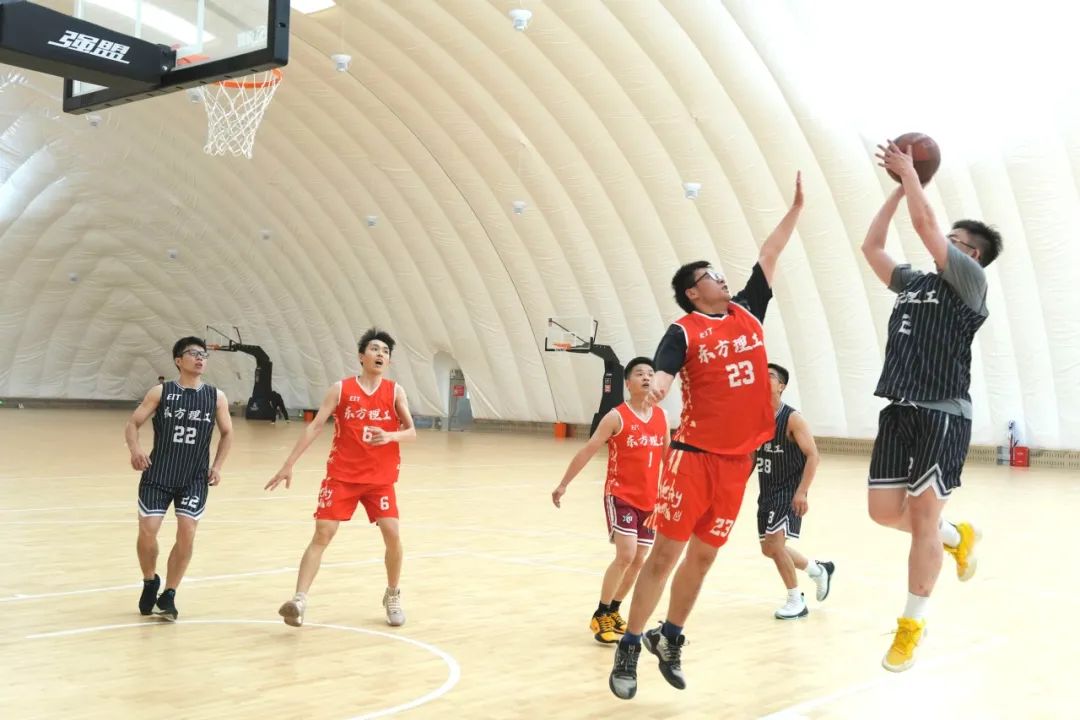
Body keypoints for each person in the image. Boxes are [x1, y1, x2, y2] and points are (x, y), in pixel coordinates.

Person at [609, 172, 805, 700]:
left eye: (720, 272)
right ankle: (630, 644)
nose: (721, 278)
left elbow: (770, 253)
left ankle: (669, 637)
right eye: (710, 276)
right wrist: (657, 389)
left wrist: (796, 209)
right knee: (665, 556)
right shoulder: (684, 330)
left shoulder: (748, 312)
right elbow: (665, 370)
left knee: (704, 557)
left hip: (738, 464)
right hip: (693, 458)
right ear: (694, 292)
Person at [863, 141, 1002, 672]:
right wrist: (901, 190)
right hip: (899, 408)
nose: (945, 243)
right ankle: (955, 536)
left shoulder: (970, 282)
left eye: (956, 242)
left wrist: (911, 178)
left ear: (973, 256)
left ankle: (910, 627)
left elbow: (925, 227)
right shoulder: (915, 281)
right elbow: (872, 246)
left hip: (943, 412)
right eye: (950, 239)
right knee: (884, 514)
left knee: (921, 519)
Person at [266, 328, 417, 627]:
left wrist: (390, 435)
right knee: (323, 533)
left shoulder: (395, 391)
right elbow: (315, 427)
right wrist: (288, 464)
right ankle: (299, 600)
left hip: (379, 479)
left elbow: (411, 432)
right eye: (375, 349)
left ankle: (392, 594)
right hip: (342, 475)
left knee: (392, 533)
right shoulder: (341, 389)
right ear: (361, 356)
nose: (380, 354)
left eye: (385, 351)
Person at [551, 357, 668, 644]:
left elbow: (668, 458)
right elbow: (589, 449)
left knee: (638, 560)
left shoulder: (662, 417)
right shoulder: (616, 417)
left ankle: (614, 611)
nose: (646, 377)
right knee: (626, 555)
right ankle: (600, 613)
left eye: (650, 373)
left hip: (650, 500)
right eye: (639, 373)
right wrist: (564, 484)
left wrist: (676, 492)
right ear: (627, 383)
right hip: (621, 495)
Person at [125, 337, 233, 621]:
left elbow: (228, 433)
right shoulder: (162, 392)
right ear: (178, 360)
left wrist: (217, 466)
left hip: (194, 478)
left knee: (187, 532)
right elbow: (133, 423)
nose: (200, 358)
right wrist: (136, 450)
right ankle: (150, 580)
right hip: (158, 474)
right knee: (148, 531)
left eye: (203, 354)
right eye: (193, 353)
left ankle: (169, 594)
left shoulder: (216, 397)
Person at [754, 363, 834, 619]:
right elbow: (751, 455)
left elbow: (813, 456)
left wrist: (801, 493)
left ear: (781, 386)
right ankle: (818, 570)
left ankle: (796, 600)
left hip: (789, 490)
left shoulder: (792, 418)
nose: (764, 379)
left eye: (770, 376)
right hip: (767, 490)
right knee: (769, 549)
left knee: (776, 545)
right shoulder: (754, 416)